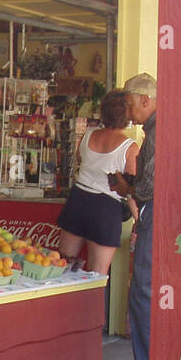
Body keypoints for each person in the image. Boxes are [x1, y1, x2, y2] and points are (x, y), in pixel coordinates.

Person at [108, 73, 156, 360]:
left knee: (143, 291)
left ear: (145, 100)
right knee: (145, 292)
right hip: (156, 214)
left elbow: (151, 184)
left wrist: (130, 189)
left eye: (129, 105)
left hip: (155, 214)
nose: (127, 112)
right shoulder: (152, 129)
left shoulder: (156, 131)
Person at [55, 90, 137, 278]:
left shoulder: (88, 135)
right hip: (105, 207)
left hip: (78, 199)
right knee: (96, 274)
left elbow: (79, 159)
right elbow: (130, 188)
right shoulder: (129, 147)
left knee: (64, 266)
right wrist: (138, 220)